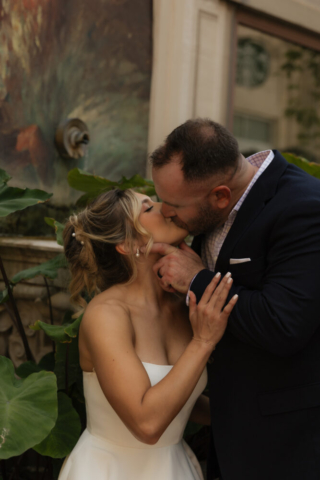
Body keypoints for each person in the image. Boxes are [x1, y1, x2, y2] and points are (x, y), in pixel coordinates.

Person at [147, 118, 320, 480]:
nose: (164, 211)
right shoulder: (209, 206)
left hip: (284, 444)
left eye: (172, 203)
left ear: (220, 196)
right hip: (229, 431)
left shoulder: (305, 207)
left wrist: (196, 278)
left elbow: (283, 323)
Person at [58, 188, 238, 480]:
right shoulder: (107, 314)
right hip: (109, 471)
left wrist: (254, 411)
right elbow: (147, 425)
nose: (165, 207)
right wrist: (203, 342)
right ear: (128, 245)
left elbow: (179, 398)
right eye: (149, 207)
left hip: (174, 468)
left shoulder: (183, 306)